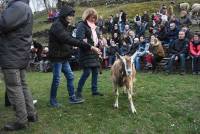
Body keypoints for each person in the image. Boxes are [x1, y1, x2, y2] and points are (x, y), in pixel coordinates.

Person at [48, 6, 101, 107]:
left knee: (70, 76)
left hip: (63, 56)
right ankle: (53, 100)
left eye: (72, 16)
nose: (71, 18)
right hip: (56, 57)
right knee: (57, 79)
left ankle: (72, 97)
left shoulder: (64, 25)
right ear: (64, 15)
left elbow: (69, 39)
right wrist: (90, 47)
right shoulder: (57, 26)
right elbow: (68, 39)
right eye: (70, 16)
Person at [0, 0, 37, 131]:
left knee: (14, 87)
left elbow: (3, 24)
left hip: (12, 55)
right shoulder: (24, 7)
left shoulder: (17, 7)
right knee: (22, 85)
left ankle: (22, 120)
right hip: (19, 54)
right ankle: (31, 114)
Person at [76, 8, 103, 99]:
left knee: (95, 71)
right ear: (87, 16)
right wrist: (91, 46)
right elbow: (80, 39)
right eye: (92, 17)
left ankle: (94, 91)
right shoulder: (82, 25)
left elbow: (95, 39)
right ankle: (78, 91)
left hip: (94, 52)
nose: (94, 19)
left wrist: (100, 41)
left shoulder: (95, 26)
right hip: (85, 52)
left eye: (95, 18)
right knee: (87, 72)